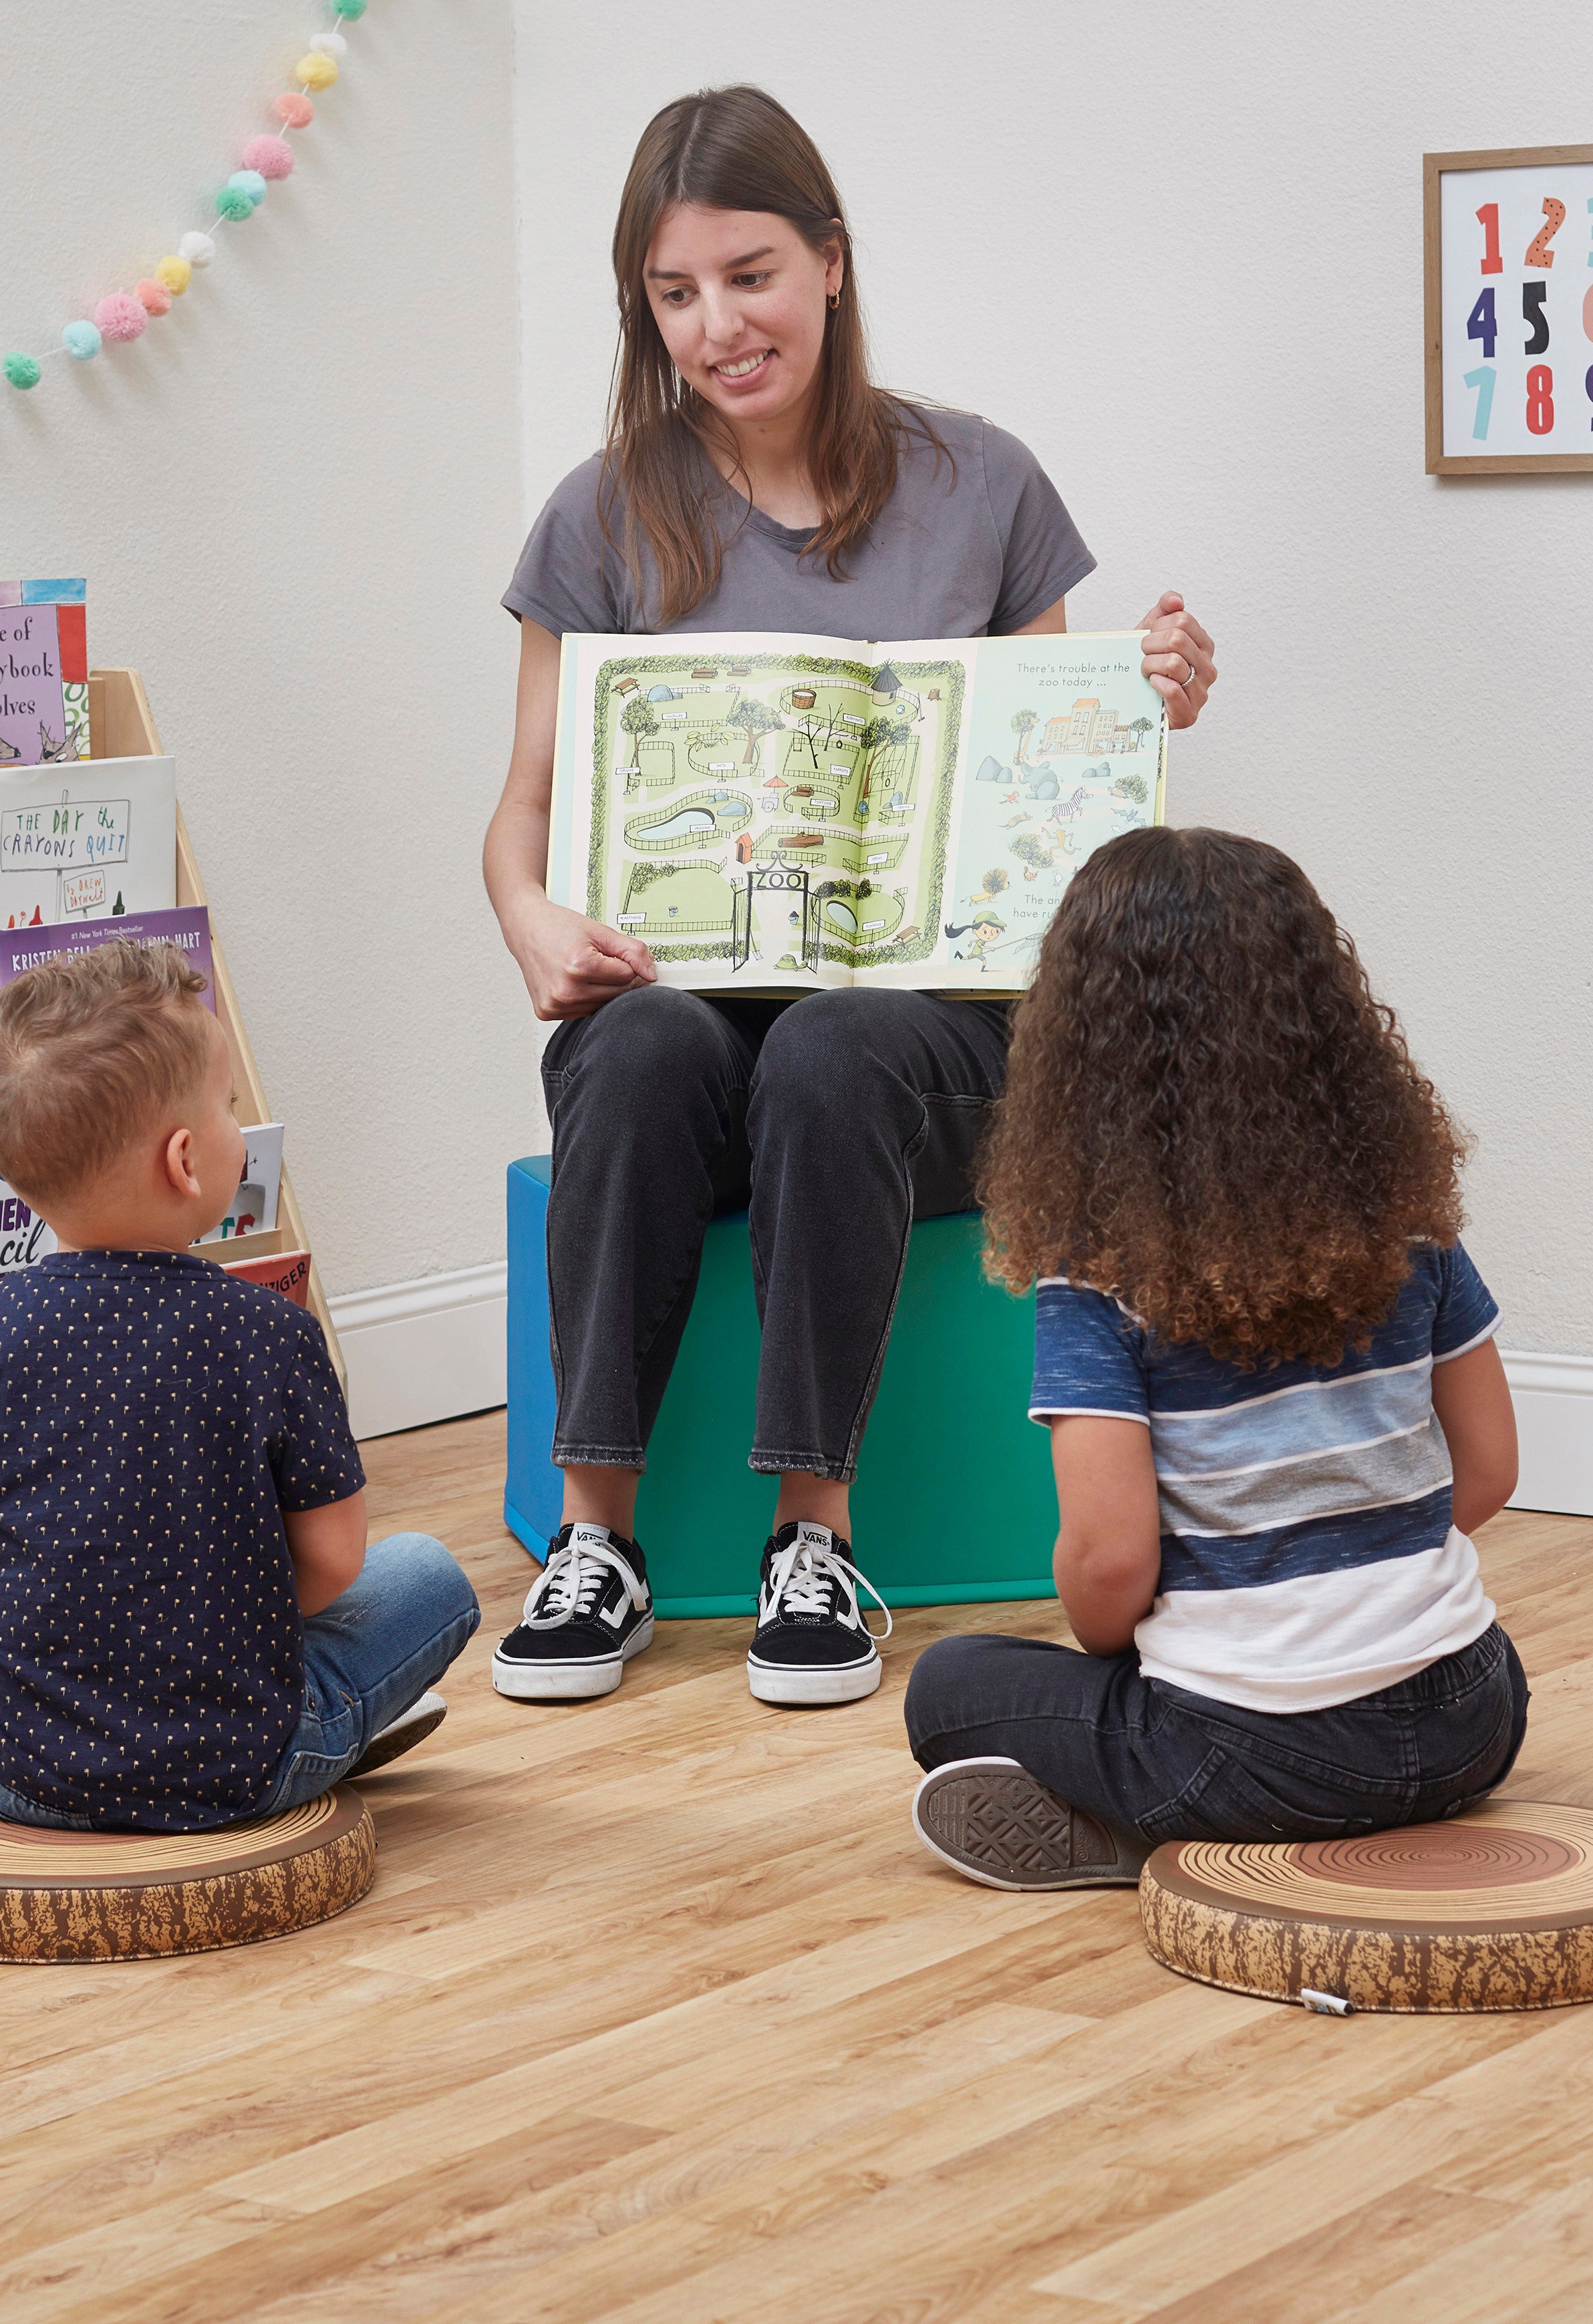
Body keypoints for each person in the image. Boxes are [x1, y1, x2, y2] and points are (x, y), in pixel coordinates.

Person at [483, 84, 1218, 1709]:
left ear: (828, 261)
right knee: (646, 1048)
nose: (716, 326)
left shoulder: (984, 483)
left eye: (748, 275)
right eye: (672, 295)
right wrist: (533, 918)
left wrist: (1140, 693)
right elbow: (520, 818)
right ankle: (593, 1541)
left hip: (932, 1036)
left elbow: (1065, 799)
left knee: (834, 1043)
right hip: (685, 1003)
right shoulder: (601, 514)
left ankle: (809, 1536)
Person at [901, 827, 1526, 1887]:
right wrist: (1350, 1583)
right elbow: (1491, 1469)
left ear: (1078, 1041)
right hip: (1474, 1713)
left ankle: (1152, 1823)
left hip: (1249, 1748)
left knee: (950, 1686)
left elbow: (1109, 1566)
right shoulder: (1408, 1222)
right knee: (1391, 1696)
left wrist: (1192, 1639)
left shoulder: (1097, 1270)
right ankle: (1239, 1805)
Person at [0, 942, 480, 1832]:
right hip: (240, 1765)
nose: (237, 1128)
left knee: (5, 1555)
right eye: (228, 1109)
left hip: (11, 1770)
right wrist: (206, 1614)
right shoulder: (273, 1333)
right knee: (432, 1576)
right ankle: (347, 1724)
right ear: (185, 1161)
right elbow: (333, 1562)